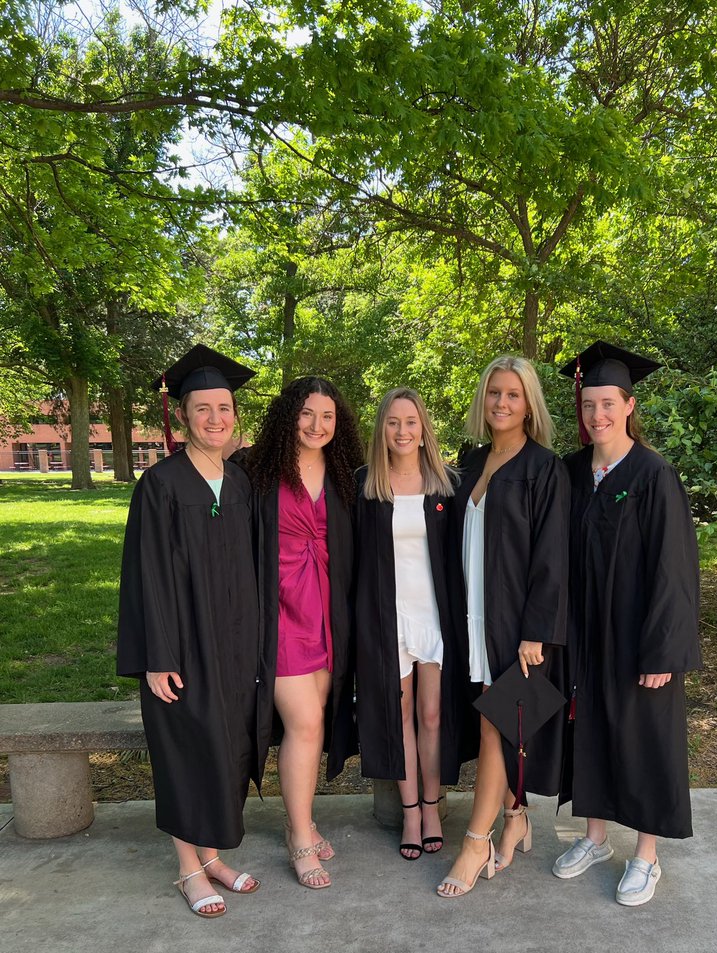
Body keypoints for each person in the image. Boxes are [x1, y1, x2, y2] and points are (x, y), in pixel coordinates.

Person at [117, 345, 269, 918]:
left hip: (233, 645)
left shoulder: (240, 482)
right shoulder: (160, 485)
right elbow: (145, 576)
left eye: (224, 407)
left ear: (235, 413)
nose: (215, 418)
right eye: (201, 408)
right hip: (180, 647)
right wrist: (157, 657)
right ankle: (188, 869)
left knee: (226, 748)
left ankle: (213, 859)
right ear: (181, 415)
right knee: (186, 750)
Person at [554, 340, 702, 906]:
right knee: (588, 730)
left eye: (609, 404)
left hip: (639, 635)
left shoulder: (652, 474)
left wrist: (663, 650)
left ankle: (646, 854)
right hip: (586, 635)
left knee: (644, 739)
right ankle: (594, 838)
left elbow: (675, 569)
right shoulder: (571, 472)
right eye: (589, 405)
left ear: (630, 405)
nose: (598, 416)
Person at [437, 356, 569, 898]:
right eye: (493, 392)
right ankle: (516, 815)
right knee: (494, 722)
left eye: (513, 394)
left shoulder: (544, 468)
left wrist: (535, 631)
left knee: (497, 723)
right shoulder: (471, 462)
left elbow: (552, 558)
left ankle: (475, 841)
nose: (501, 403)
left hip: (514, 622)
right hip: (470, 615)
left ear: (529, 402)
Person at [245, 377, 363, 890]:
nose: (317, 425)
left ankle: (307, 817)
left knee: (311, 728)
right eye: (307, 414)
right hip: (280, 614)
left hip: (328, 615)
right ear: (288, 414)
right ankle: (297, 834)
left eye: (328, 416)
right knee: (306, 723)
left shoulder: (344, 476)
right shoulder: (254, 470)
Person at [355, 387, 470, 859]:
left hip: (435, 616)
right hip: (387, 617)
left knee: (431, 714)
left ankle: (430, 805)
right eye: (392, 422)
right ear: (381, 430)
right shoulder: (365, 485)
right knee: (397, 713)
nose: (402, 431)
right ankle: (408, 813)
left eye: (411, 422)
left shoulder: (446, 483)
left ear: (424, 430)